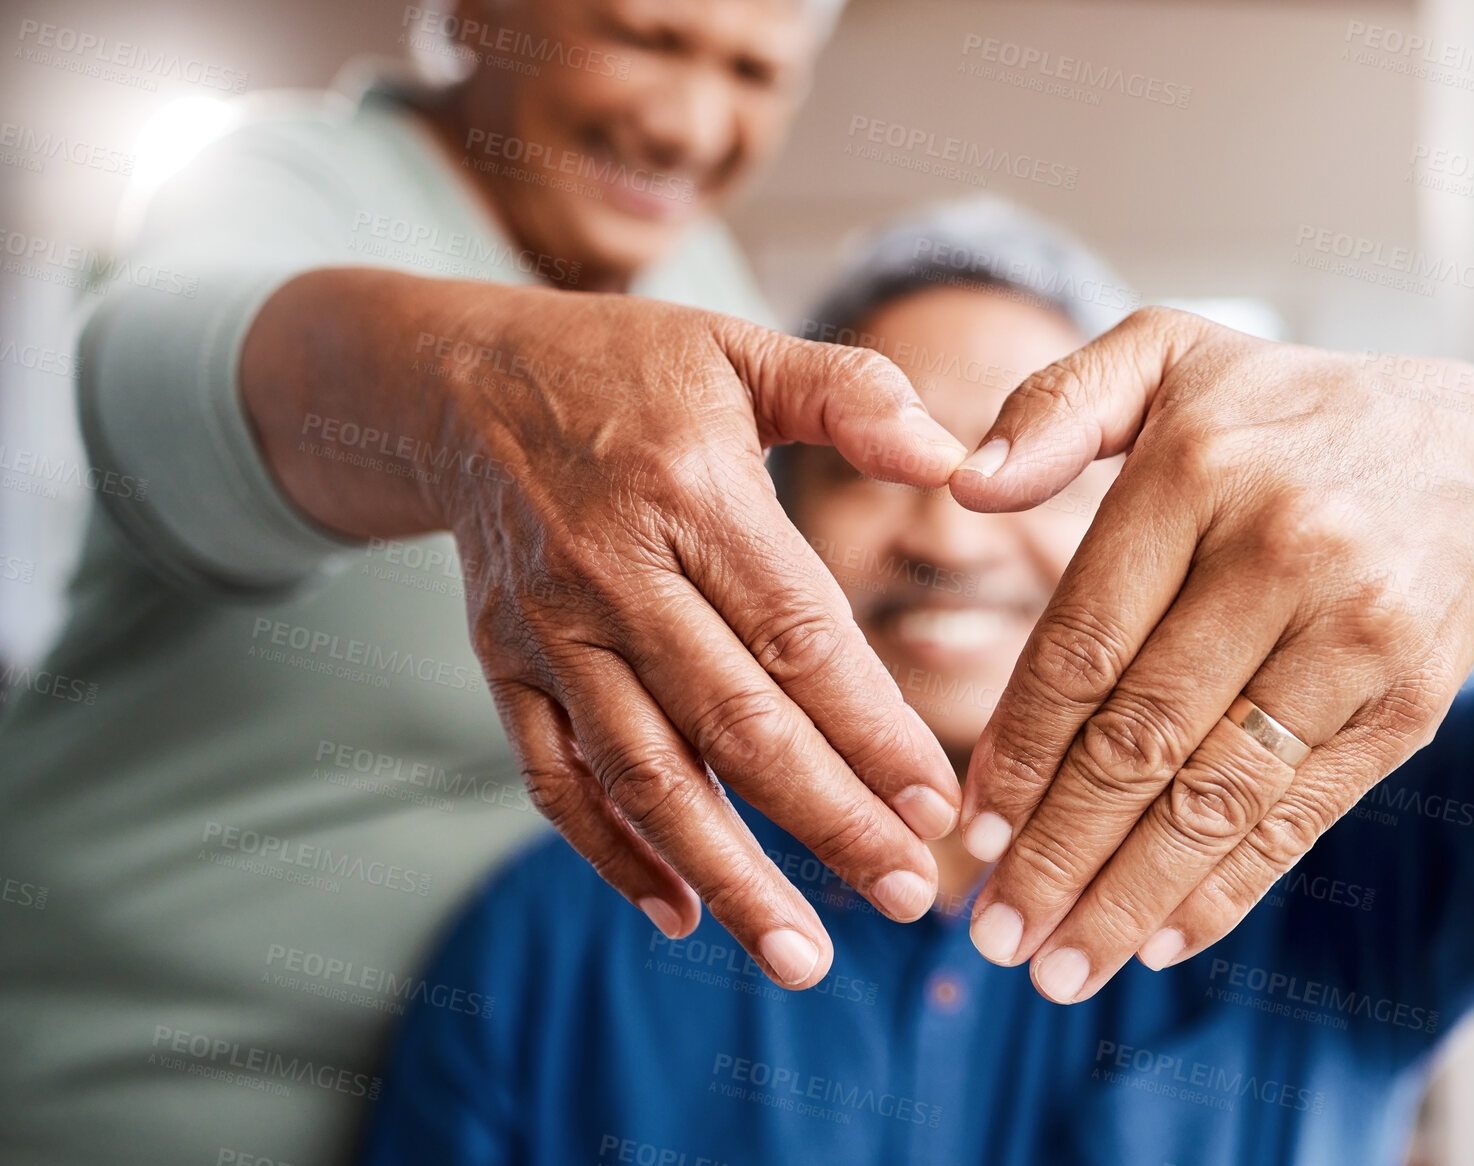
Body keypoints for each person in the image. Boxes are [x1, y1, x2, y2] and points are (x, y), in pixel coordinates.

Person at [359, 201, 1474, 1166]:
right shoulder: (556, 936)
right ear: (774, 515)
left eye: (1024, 459)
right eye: (868, 465)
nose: (946, 532)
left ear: (1141, 507)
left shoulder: (1345, 826)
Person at [1, 2, 982, 1163]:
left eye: (754, 71)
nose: (689, 124)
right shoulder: (284, 171)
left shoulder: (697, 277)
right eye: (648, 39)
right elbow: (157, 371)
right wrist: (470, 395)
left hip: (511, 1088)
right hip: (157, 1088)